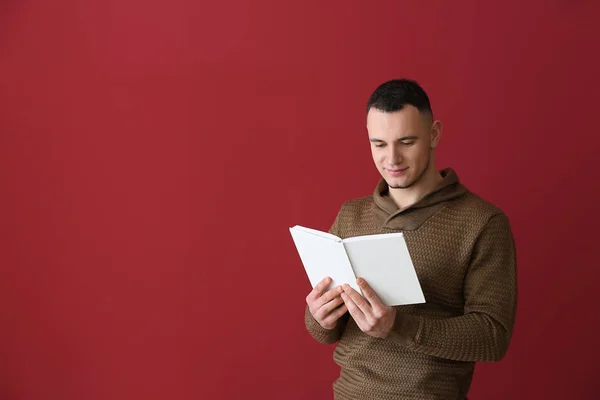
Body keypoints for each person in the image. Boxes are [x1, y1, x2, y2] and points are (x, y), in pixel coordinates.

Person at [304, 78, 518, 400]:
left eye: (406, 142)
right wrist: (318, 316)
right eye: (379, 144)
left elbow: (493, 336)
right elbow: (325, 333)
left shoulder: (483, 222)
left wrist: (398, 326)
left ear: (434, 135)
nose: (392, 159)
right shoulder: (351, 215)